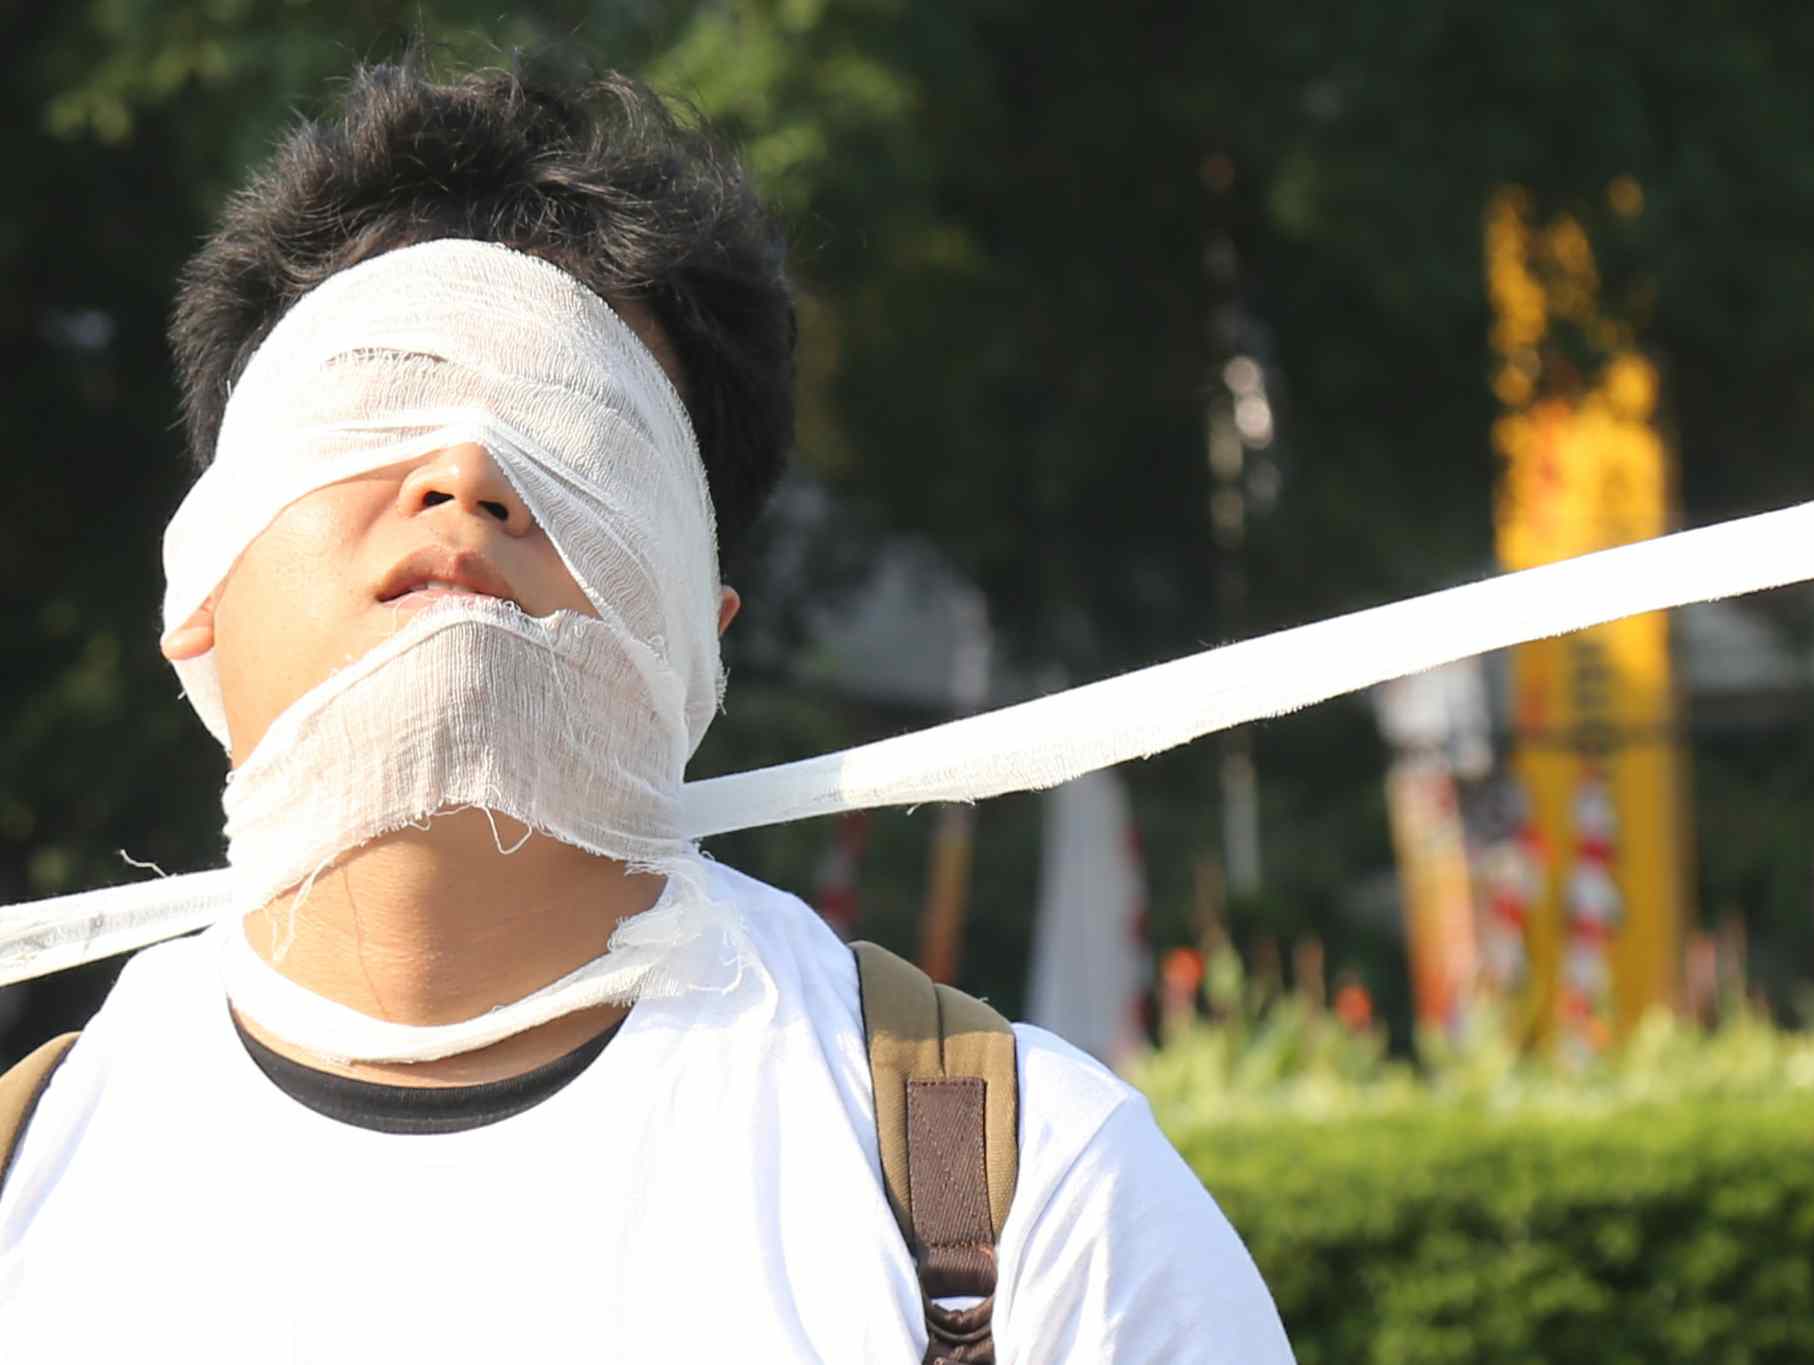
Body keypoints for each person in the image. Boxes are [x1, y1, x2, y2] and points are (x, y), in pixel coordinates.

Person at [0, 51, 1293, 1361]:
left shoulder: (1036, 1201)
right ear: (200, 577)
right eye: (383, 391)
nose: (467, 473)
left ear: (697, 637)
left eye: (581, 434)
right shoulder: (29, 1188)